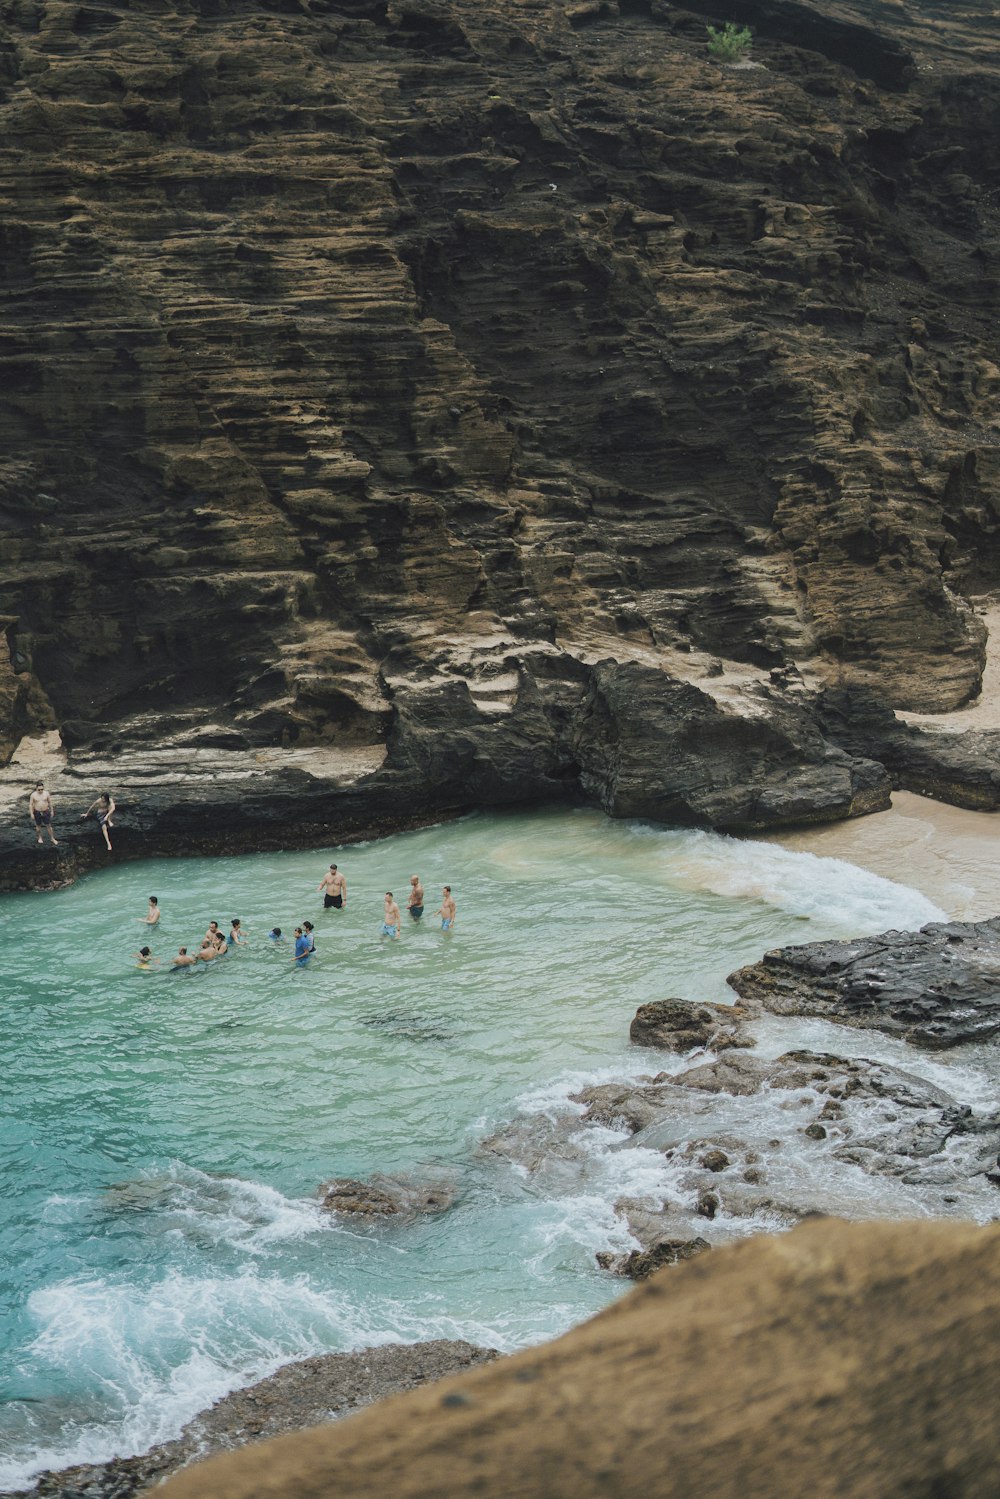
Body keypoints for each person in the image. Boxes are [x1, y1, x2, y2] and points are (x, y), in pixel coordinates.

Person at [29, 782, 58, 846]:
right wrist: (31, 813)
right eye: (39, 790)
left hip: (46, 811)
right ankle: (40, 837)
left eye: (42, 789)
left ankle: (52, 838)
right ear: (36, 789)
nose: (40, 791)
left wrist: (52, 811)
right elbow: (31, 805)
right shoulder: (33, 795)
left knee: (48, 825)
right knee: (38, 825)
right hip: (37, 812)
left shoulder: (46, 793)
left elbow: (50, 802)